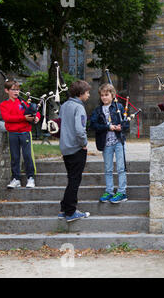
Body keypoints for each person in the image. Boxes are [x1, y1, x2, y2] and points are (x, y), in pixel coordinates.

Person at [90, 83, 129, 204]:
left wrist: (120, 127)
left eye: (106, 95)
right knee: (108, 169)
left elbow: (126, 123)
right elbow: (93, 125)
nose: (104, 97)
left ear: (112, 95)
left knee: (121, 168)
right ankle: (109, 191)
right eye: (102, 95)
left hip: (118, 141)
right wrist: (107, 127)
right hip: (106, 143)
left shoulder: (119, 107)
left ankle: (122, 192)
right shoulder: (98, 110)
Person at [58, 80, 91, 222]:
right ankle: (71, 212)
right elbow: (80, 129)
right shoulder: (79, 108)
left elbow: (59, 125)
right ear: (80, 94)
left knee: (71, 178)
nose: (89, 95)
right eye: (87, 92)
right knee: (75, 180)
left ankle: (64, 209)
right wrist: (84, 143)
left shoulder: (64, 106)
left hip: (65, 148)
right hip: (76, 148)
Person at [0, 80, 41, 189]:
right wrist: (23, 118)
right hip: (12, 133)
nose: (16, 91)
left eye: (17, 89)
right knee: (15, 156)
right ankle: (16, 179)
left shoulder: (23, 102)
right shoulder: (4, 105)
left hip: (25, 133)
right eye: (13, 89)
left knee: (28, 156)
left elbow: (35, 111)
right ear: (7, 91)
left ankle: (30, 178)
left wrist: (37, 117)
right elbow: (7, 118)